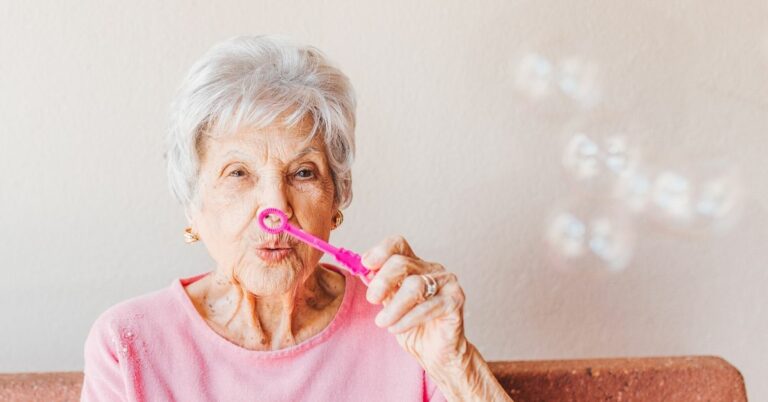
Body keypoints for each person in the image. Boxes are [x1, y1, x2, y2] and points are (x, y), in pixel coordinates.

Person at [81, 34, 511, 402]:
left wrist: (457, 365)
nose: (277, 207)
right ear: (193, 205)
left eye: (303, 173)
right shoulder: (128, 344)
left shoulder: (400, 323)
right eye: (239, 174)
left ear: (336, 199)